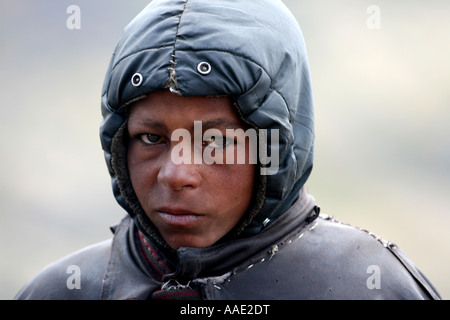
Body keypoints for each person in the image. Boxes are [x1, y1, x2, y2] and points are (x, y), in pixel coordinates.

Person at [14, 0, 440, 300]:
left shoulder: (369, 286)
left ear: (275, 149)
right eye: (151, 138)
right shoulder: (62, 291)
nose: (176, 174)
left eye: (215, 141)